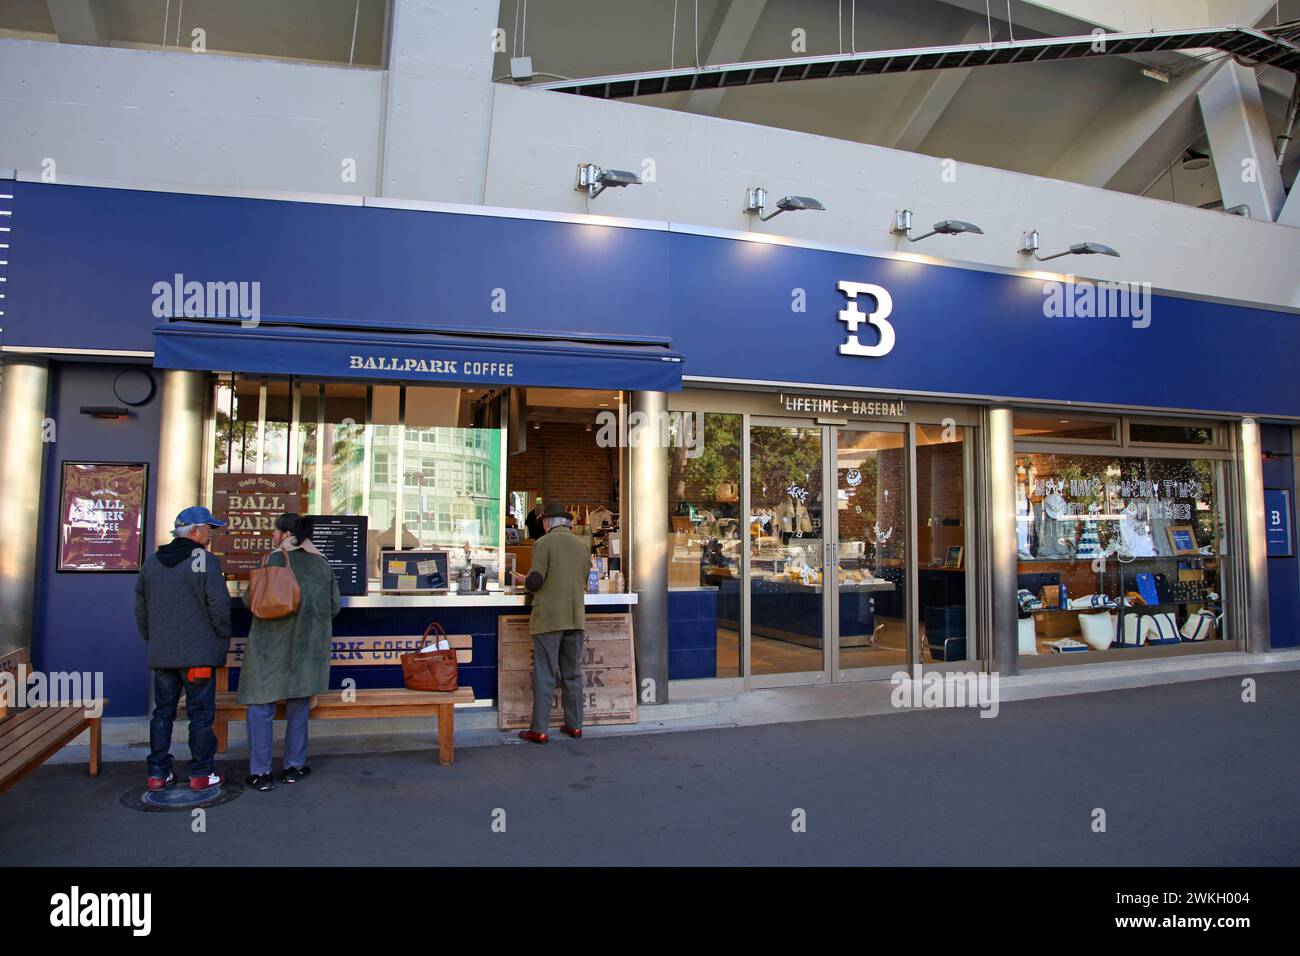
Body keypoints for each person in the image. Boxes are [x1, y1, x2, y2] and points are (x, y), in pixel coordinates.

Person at [238, 513, 340, 791]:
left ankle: (260, 772)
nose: (271, 536)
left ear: (285, 534)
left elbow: (250, 600)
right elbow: (334, 606)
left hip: (269, 648)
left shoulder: (272, 560)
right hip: (307, 649)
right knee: (298, 707)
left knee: (261, 707)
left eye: (274, 531)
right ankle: (293, 767)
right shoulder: (321, 564)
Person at [134, 505, 231, 792]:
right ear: (194, 531)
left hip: (163, 655)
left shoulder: (151, 563)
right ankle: (201, 774)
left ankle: (157, 774)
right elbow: (220, 608)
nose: (211, 535)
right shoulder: (207, 562)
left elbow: (141, 609)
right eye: (208, 529)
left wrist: (155, 640)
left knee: (162, 714)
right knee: (200, 715)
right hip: (199, 656)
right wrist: (221, 640)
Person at [515, 502, 591, 744]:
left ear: (547, 523)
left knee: (545, 674)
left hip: (549, 618)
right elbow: (583, 578)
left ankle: (539, 729)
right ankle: (575, 725)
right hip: (575, 617)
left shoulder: (543, 543)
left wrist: (524, 580)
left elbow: (536, 580)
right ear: (567, 523)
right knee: (572, 674)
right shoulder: (583, 546)